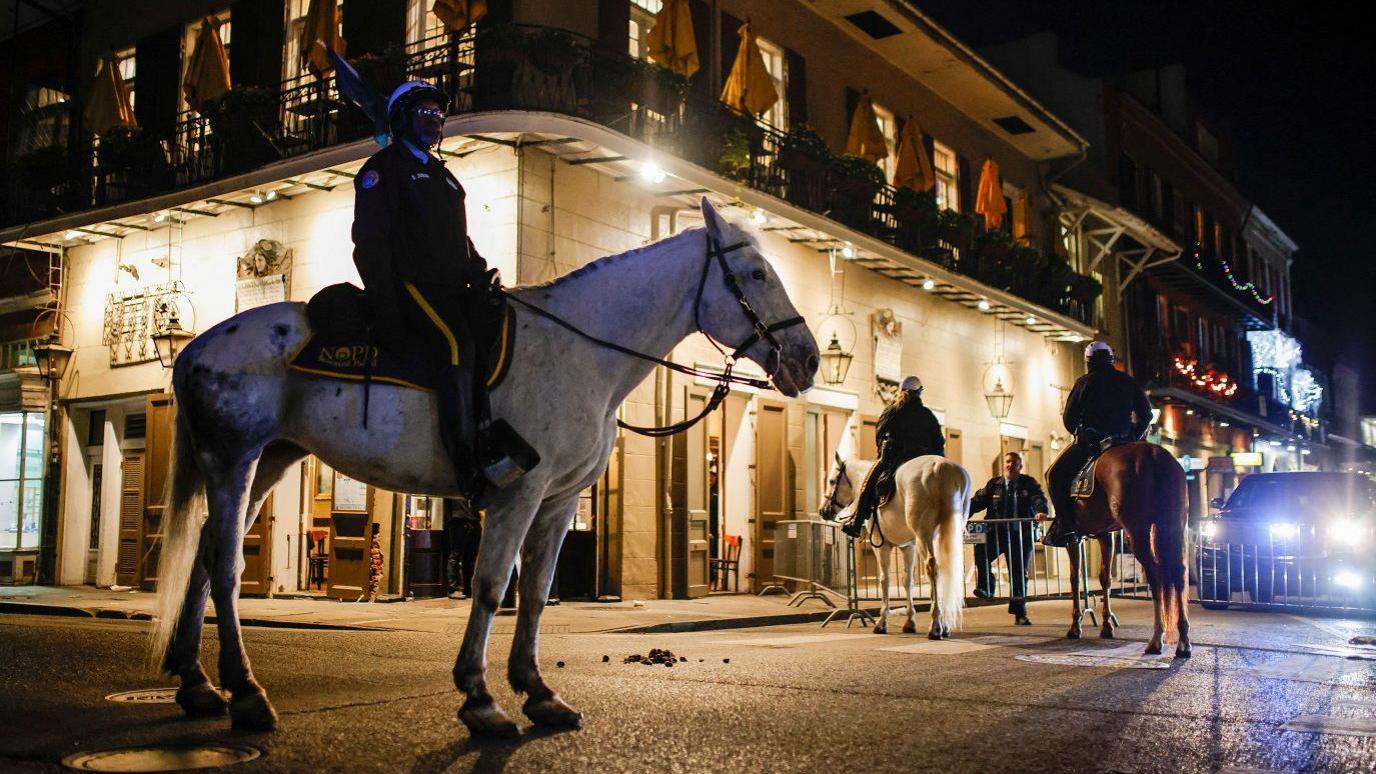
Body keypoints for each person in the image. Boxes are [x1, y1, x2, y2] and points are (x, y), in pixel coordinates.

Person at [351, 80, 528, 497]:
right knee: (455, 346)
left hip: (453, 287)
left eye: (438, 116)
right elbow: (371, 243)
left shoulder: (444, 177)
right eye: (426, 115)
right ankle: (464, 467)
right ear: (401, 120)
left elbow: (456, 238)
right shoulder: (384, 169)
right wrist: (386, 305)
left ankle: (489, 435)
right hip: (413, 285)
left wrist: (480, 269)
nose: (435, 123)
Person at [1043, 341, 1153, 547]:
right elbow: (1146, 414)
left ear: (1088, 362)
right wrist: (1134, 436)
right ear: (1111, 360)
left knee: (1054, 475)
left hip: (1094, 443)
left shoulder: (1084, 382)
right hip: (1124, 440)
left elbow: (1069, 419)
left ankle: (1067, 527)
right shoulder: (1128, 381)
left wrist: (1083, 434)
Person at [843, 375, 946, 538]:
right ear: (920, 392)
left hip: (895, 457)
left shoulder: (893, 410)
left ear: (901, 390)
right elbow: (939, 442)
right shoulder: (927, 415)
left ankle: (857, 520)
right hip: (924, 458)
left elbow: (880, 431)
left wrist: (881, 454)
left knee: (868, 483)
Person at [970, 451, 1048, 625]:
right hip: (996, 533)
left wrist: (1041, 510)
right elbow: (977, 501)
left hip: (1020, 536)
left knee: (1018, 573)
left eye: (1014, 462)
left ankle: (1020, 613)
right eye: (1007, 462)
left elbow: (1038, 498)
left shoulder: (1028, 483)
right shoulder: (994, 484)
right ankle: (987, 587)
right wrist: (960, 511)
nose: (1010, 465)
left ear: (1020, 466)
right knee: (981, 550)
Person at [444, 497, 480, 600]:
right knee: (456, 554)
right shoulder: (456, 485)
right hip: (458, 520)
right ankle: (453, 589)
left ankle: (468, 589)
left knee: (469, 558)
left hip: (472, 521)